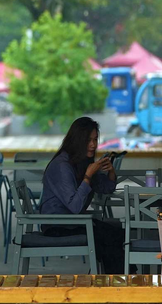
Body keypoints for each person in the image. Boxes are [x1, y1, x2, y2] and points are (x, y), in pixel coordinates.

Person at [38, 116, 127, 273]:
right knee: (110, 236)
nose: (93, 145)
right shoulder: (62, 166)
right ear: (77, 141)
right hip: (57, 224)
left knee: (117, 232)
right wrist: (87, 177)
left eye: (95, 139)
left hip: (74, 221)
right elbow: (75, 206)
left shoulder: (81, 162)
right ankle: (118, 281)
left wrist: (111, 171)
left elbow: (107, 188)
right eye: (88, 140)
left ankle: (117, 280)